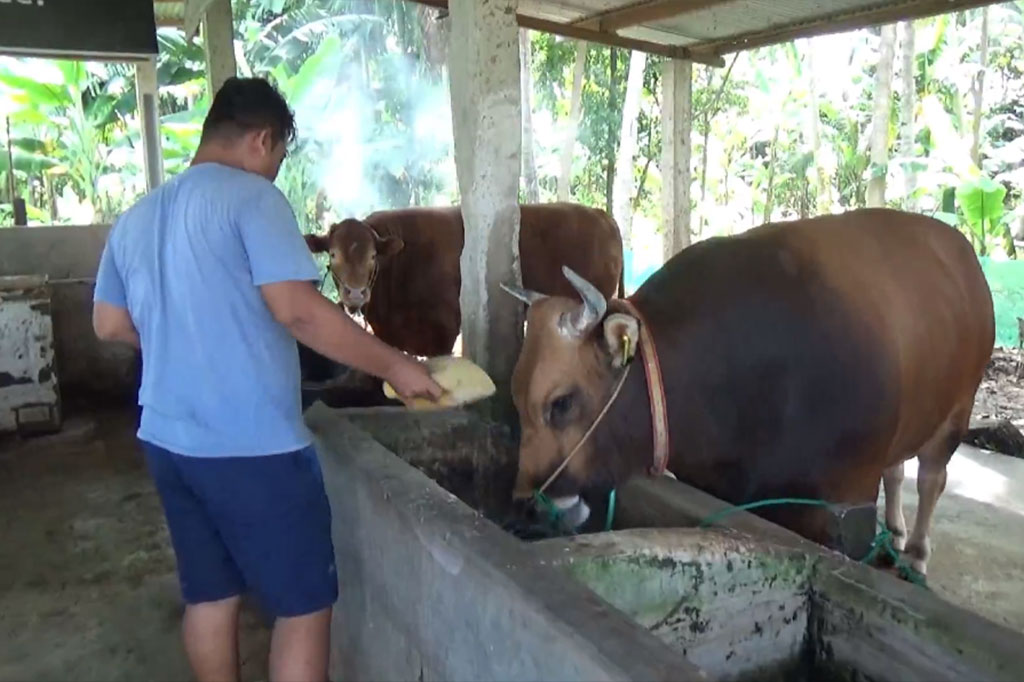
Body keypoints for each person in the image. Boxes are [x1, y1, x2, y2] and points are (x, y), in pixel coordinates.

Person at [91, 76, 443, 682]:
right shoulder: (253, 201)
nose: (277, 171)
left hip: (168, 441)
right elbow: (299, 311)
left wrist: (185, 340)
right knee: (303, 607)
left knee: (210, 596)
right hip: (251, 447)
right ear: (262, 139)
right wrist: (395, 365)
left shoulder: (138, 217)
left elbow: (108, 324)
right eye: (279, 156)